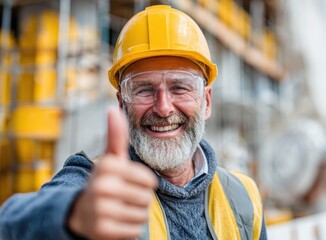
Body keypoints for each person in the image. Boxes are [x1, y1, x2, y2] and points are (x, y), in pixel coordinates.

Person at [0, 5, 267, 240]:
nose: (163, 108)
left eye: (180, 87)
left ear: (206, 101)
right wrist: (74, 214)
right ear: (121, 104)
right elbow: (10, 223)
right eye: (143, 90)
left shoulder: (244, 196)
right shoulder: (94, 184)